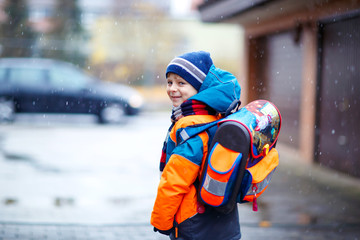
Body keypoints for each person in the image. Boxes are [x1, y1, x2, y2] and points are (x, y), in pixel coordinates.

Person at [151, 51, 242, 240]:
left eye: (181, 83)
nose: (172, 89)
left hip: (194, 222)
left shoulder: (192, 129)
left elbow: (175, 181)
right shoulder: (216, 118)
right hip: (224, 219)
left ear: (200, 88)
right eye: (169, 82)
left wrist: (162, 221)